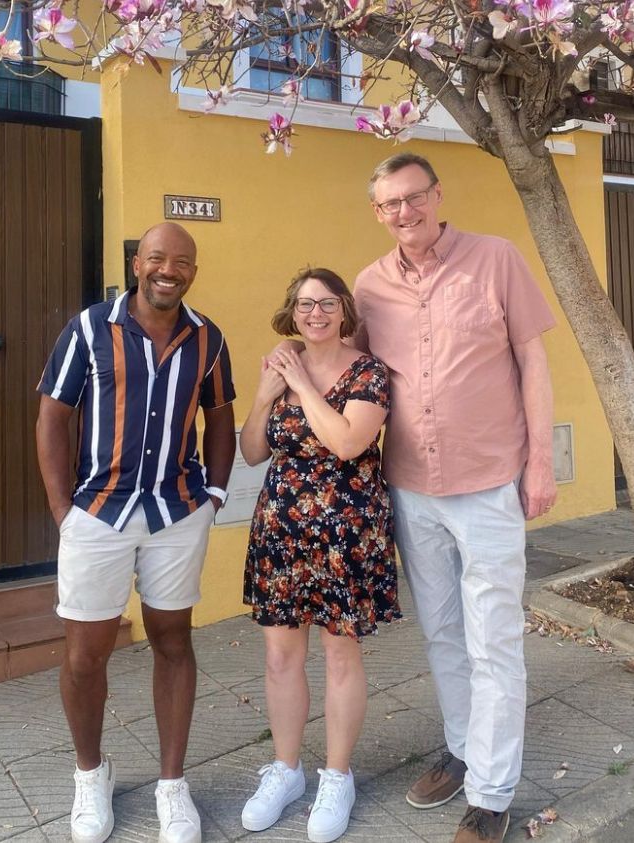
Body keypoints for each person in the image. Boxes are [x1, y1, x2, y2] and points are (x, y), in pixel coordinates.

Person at [353, 153, 557, 843]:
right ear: (378, 213)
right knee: (441, 630)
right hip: (410, 486)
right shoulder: (369, 286)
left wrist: (541, 464)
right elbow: (351, 375)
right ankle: (466, 747)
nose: (403, 212)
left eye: (413, 197)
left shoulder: (496, 258)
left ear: (437, 195)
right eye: (389, 204)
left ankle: (492, 793)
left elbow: (533, 360)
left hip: (491, 479)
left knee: (493, 637)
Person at [36, 222, 236, 843]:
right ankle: (90, 774)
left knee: (173, 641)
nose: (167, 270)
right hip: (98, 513)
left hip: (177, 512)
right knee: (84, 654)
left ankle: (172, 786)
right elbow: (52, 417)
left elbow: (221, 417)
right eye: (156, 258)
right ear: (138, 264)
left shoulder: (208, 339)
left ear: (193, 272)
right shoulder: (90, 328)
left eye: (180, 261)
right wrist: (63, 510)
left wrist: (216, 495)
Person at [239, 267, 401, 843]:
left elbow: (348, 442)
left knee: (339, 656)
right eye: (305, 304)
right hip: (282, 527)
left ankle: (337, 776)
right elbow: (254, 451)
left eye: (326, 303)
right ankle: (285, 771)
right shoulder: (277, 368)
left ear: (344, 310)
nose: (315, 313)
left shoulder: (368, 373)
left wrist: (301, 384)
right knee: (281, 658)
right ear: (292, 310)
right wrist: (263, 396)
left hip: (346, 533)